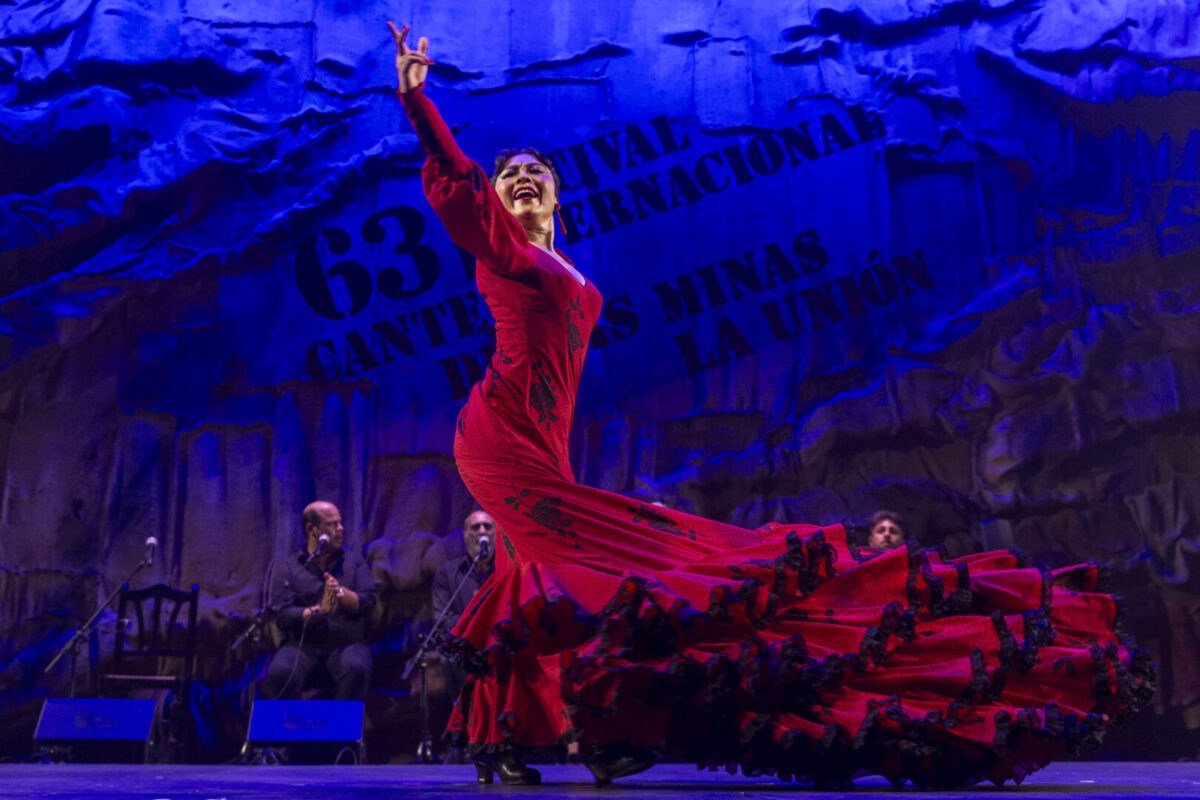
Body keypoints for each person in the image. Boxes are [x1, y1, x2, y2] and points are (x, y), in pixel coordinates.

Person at [386, 24, 1154, 788]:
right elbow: (457, 182)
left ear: (558, 192)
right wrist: (420, 103)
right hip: (497, 435)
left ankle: (522, 738)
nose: (522, 178)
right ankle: (590, 730)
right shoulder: (504, 251)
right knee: (599, 564)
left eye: (536, 172)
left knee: (539, 573)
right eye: (509, 173)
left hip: (545, 442)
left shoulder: (565, 265)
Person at [264, 501, 376, 702]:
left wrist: (340, 593)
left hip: (346, 645)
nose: (340, 529)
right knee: (280, 672)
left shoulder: (353, 562)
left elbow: (369, 602)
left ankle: (340, 733)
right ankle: (291, 733)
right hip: (301, 647)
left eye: (340, 523)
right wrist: (320, 610)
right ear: (311, 529)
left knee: (357, 667)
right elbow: (283, 616)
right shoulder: (288, 567)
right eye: (332, 525)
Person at [431, 510, 497, 760]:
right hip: (463, 645)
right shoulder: (448, 573)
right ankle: (467, 736)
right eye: (476, 527)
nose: (482, 532)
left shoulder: (504, 569)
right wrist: (477, 625)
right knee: (451, 661)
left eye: (488, 527)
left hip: (496, 644)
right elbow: (442, 618)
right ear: (465, 535)